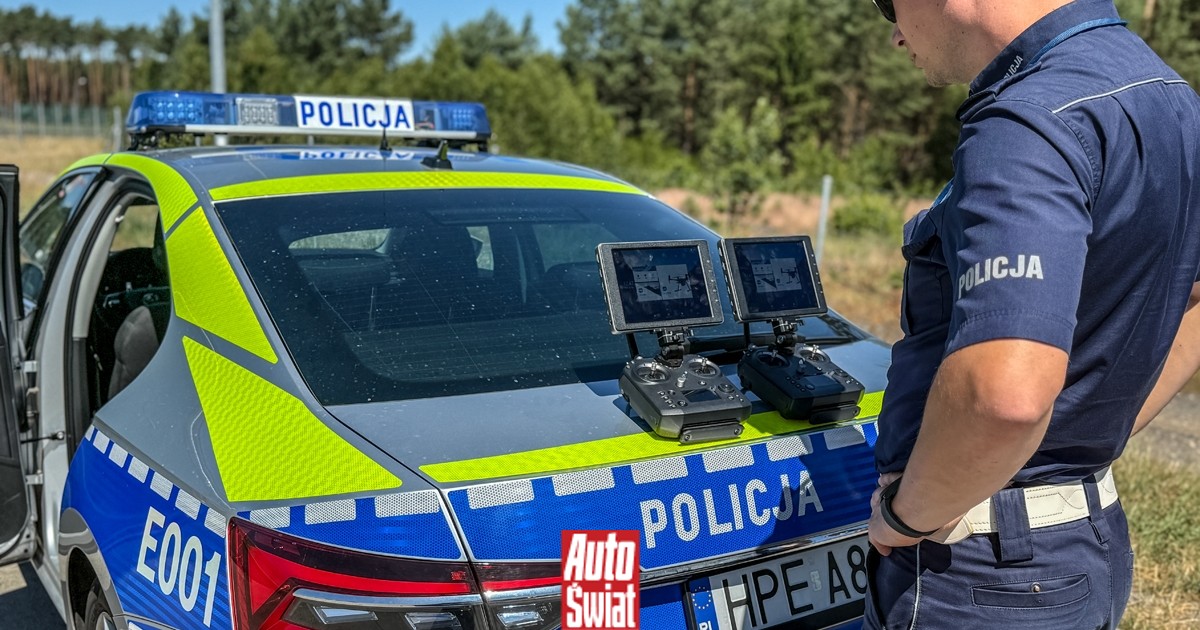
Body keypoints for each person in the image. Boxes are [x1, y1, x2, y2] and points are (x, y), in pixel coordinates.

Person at [864, 0, 1200, 628]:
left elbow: (1005, 397)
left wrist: (908, 515)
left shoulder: (1026, 120)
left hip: (980, 568)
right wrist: (1091, 434)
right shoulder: (1170, 95)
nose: (894, 36)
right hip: (1086, 539)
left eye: (890, 6)